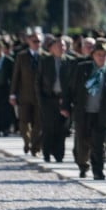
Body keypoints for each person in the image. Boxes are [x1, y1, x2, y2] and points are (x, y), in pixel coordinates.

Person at [63, 40, 106, 180]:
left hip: (100, 114)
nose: (101, 57)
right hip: (83, 112)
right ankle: (83, 164)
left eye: (104, 55)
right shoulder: (82, 68)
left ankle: (98, 171)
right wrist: (65, 106)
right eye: (99, 54)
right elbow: (69, 88)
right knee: (82, 142)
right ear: (93, 55)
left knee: (98, 144)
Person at [37, 35, 73, 164]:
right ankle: (46, 153)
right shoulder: (44, 61)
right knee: (48, 128)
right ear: (51, 48)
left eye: (63, 45)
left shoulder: (70, 61)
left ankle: (59, 154)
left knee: (62, 128)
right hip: (48, 99)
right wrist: (41, 100)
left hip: (64, 100)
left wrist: (68, 101)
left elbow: (72, 83)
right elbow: (38, 82)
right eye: (58, 45)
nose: (61, 48)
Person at [10, 30, 43, 155]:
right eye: (34, 41)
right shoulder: (21, 56)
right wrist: (12, 94)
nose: (37, 44)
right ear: (29, 41)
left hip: (40, 96)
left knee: (38, 123)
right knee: (24, 121)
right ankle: (27, 141)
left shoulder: (45, 56)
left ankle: (35, 147)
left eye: (39, 41)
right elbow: (16, 76)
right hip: (24, 95)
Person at [0, 39, 15, 136]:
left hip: (5, 89)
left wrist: (13, 91)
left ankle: (5, 128)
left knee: (5, 110)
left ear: (2, 49)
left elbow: (13, 77)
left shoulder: (8, 61)